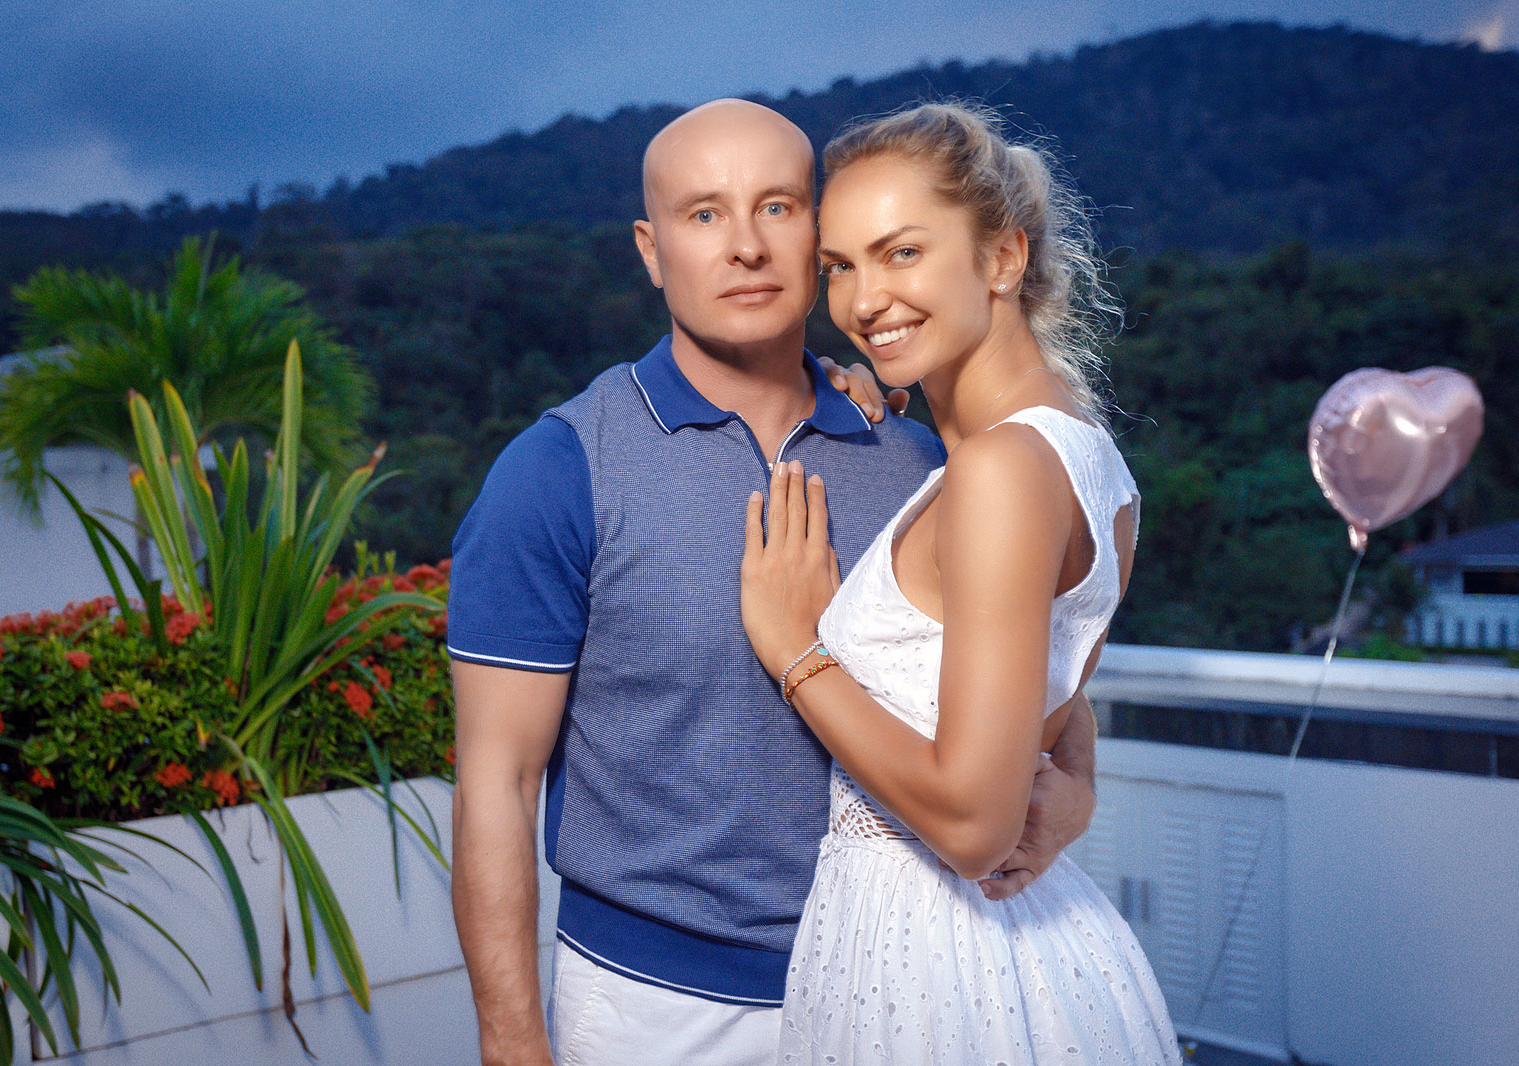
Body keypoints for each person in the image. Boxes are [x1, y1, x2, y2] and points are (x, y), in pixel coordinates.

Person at [448, 98, 1101, 1066]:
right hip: (656, 1006)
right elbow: (496, 781)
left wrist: (1073, 790)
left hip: (905, 978)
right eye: (704, 213)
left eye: (779, 207)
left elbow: (1041, 670)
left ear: (818, 235)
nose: (746, 245)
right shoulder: (559, 469)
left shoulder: (918, 458)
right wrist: (511, 1044)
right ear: (651, 248)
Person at [739, 102, 1182, 1063]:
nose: (864, 301)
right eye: (839, 267)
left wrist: (796, 651)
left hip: (940, 960)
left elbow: (977, 827)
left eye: (902, 252)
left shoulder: (999, 470)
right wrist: (1077, 783)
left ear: (1003, 258)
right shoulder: (1078, 452)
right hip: (1010, 945)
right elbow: (1046, 684)